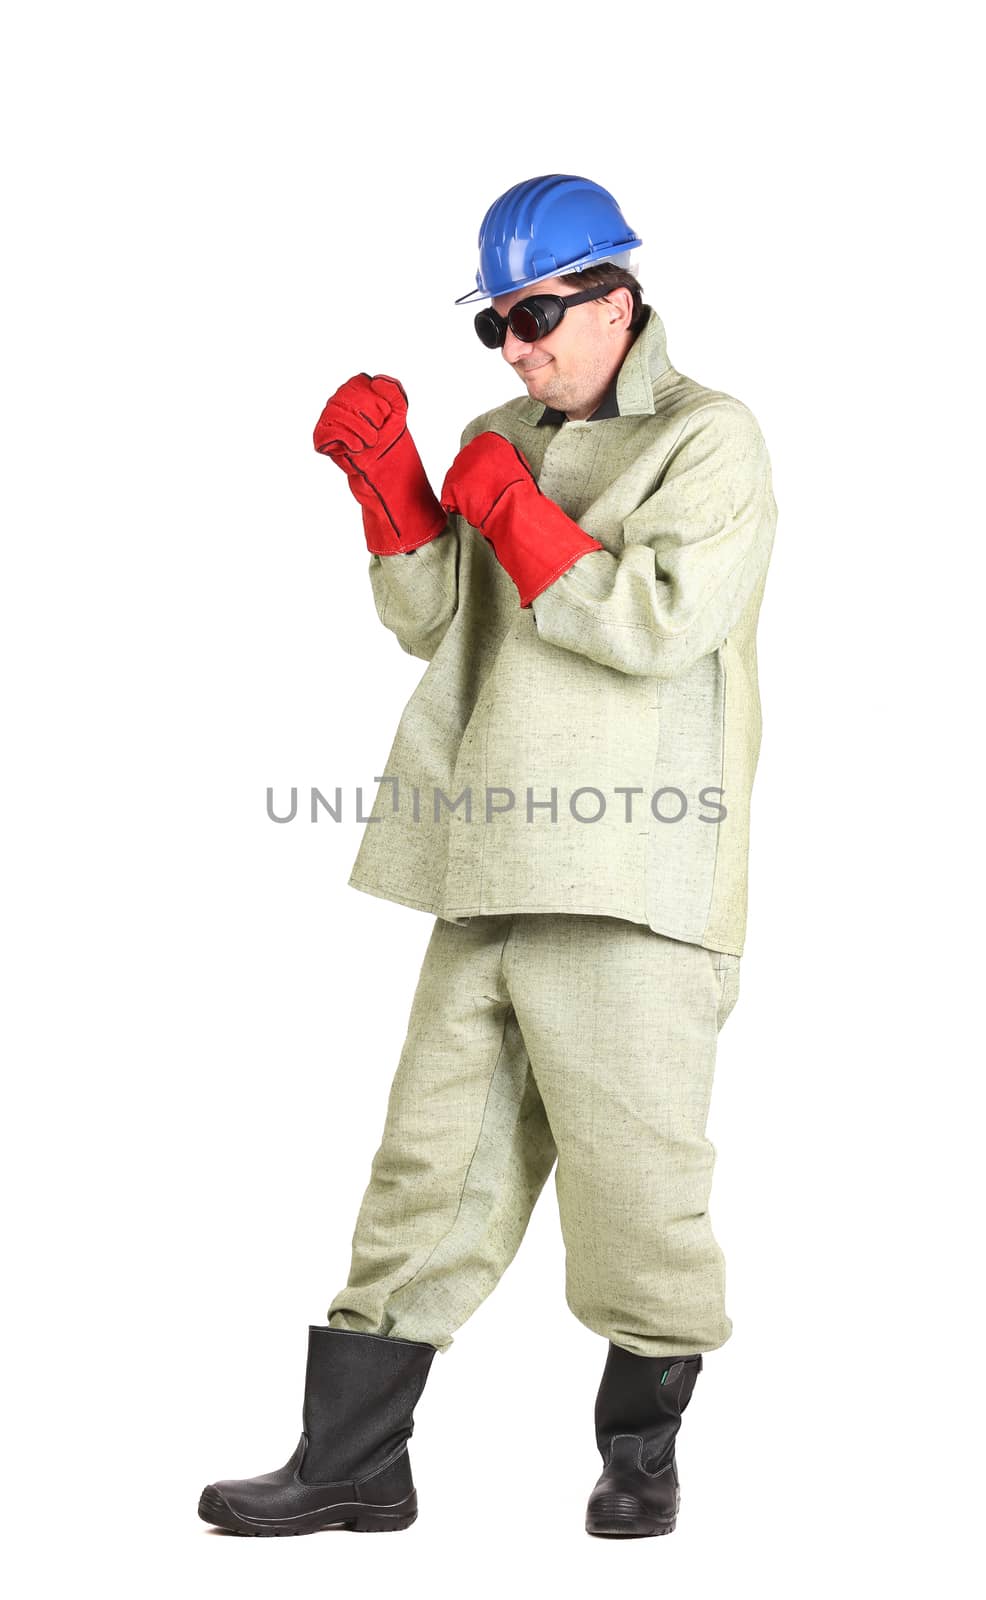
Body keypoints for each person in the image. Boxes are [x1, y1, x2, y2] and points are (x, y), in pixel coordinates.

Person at [199, 173, 777, 1541]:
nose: (515, 347)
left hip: (633, 880)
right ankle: (352, 1461)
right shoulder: (495, 434)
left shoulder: (710, 441)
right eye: (495, 327)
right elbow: (437, 625)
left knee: (635, 1186)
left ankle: (640, 1454)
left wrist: (511, 510)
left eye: (533, 316)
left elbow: (655, 623)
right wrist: (394, 497)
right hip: (487, 860)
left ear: (615, 300)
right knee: (426, 1164)